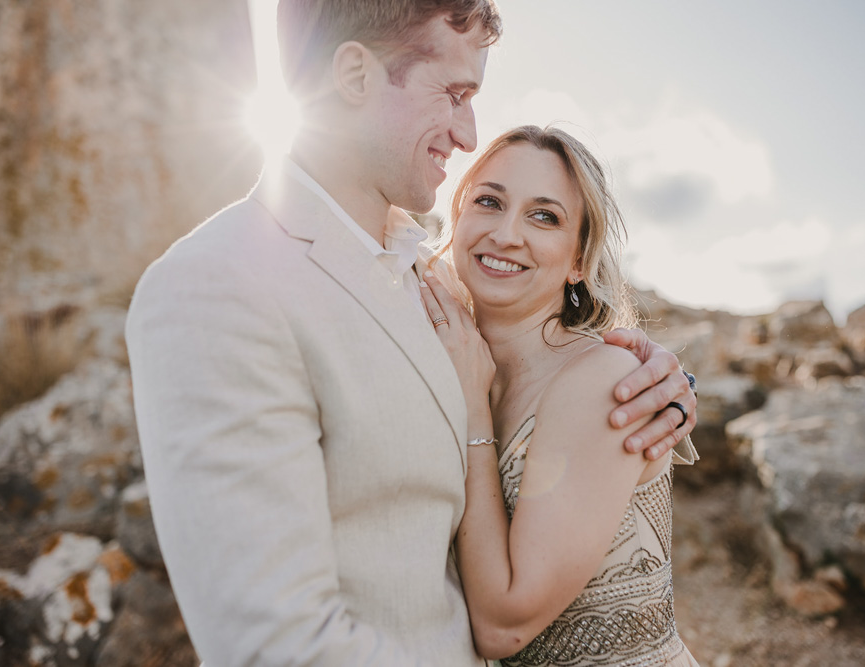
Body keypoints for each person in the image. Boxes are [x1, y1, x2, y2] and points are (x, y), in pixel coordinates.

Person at [125, 1, 697, 664]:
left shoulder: (424, 278)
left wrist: (664, 379)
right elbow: (276, 644)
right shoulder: (216, 284)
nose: (469, 132)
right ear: (355, 76)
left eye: (543, 216)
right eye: (454, 93)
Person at [421, 124, 699, 666]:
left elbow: (503, 624)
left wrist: (473, 410)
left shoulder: (604, 382)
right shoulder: (446, 346)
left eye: (544, 216)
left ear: (578, 260)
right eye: (488, 202)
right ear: (457, 220)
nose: (506, 234)